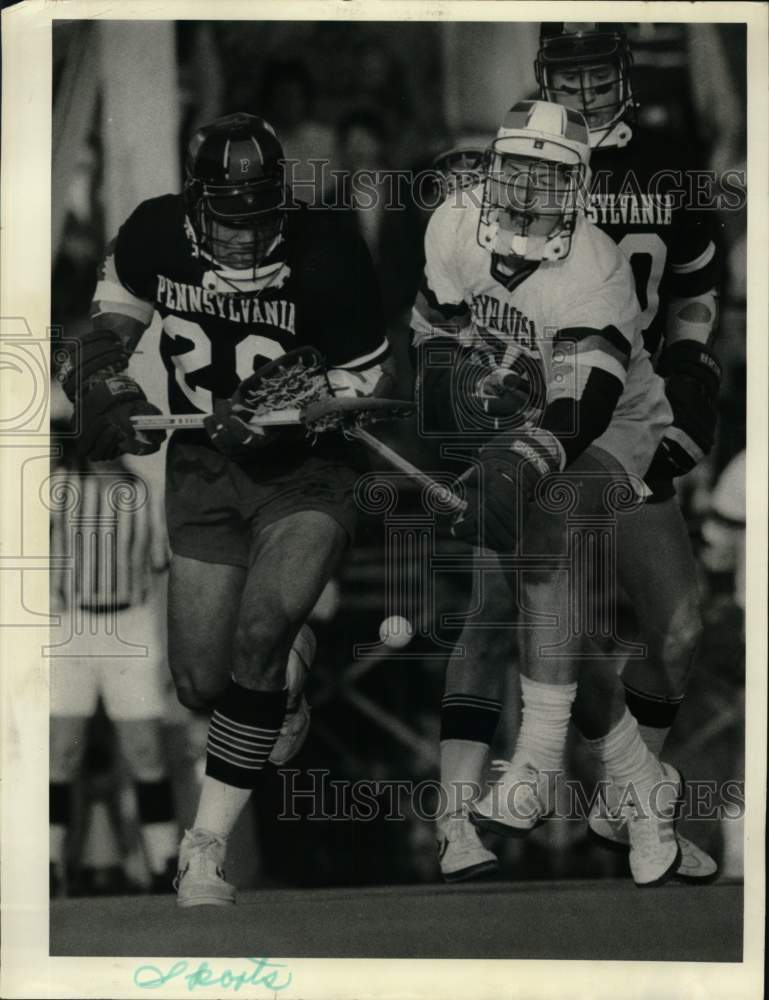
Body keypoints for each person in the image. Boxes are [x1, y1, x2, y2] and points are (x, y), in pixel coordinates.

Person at [58, 112, 392, 906]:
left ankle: (201, 850)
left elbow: (365, 382)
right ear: (194, 201)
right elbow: (99, 338)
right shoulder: (152, 232)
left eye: (259, 218)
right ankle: (290, 667)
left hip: (306, 470)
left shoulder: (328, 245)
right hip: (204, 465)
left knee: (258, 632)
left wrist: (295, 402)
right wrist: (111, 390)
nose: (244, 239)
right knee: (202, 684)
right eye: (227, 219)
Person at [432, 24, 721, 884]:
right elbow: (449, 311)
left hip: (620, 404)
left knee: (675, 629)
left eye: (600, 75)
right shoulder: (492, 176)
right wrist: (460, 395)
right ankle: (465, 820)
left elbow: (695, 296)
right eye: (570, 75)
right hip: (530, 411)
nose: (587, 91)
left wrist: (692, 393)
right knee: (509, 609)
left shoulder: (664, 172)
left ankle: (621, 794)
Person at [49, 387, 177, 896]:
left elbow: (162, 572)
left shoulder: (142, 492)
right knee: (62, 750)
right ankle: (49, 862)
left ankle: (166, 858)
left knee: (145, 750)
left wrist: (167, 647)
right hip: (67, 625)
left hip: (131, 624)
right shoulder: (55, 488)